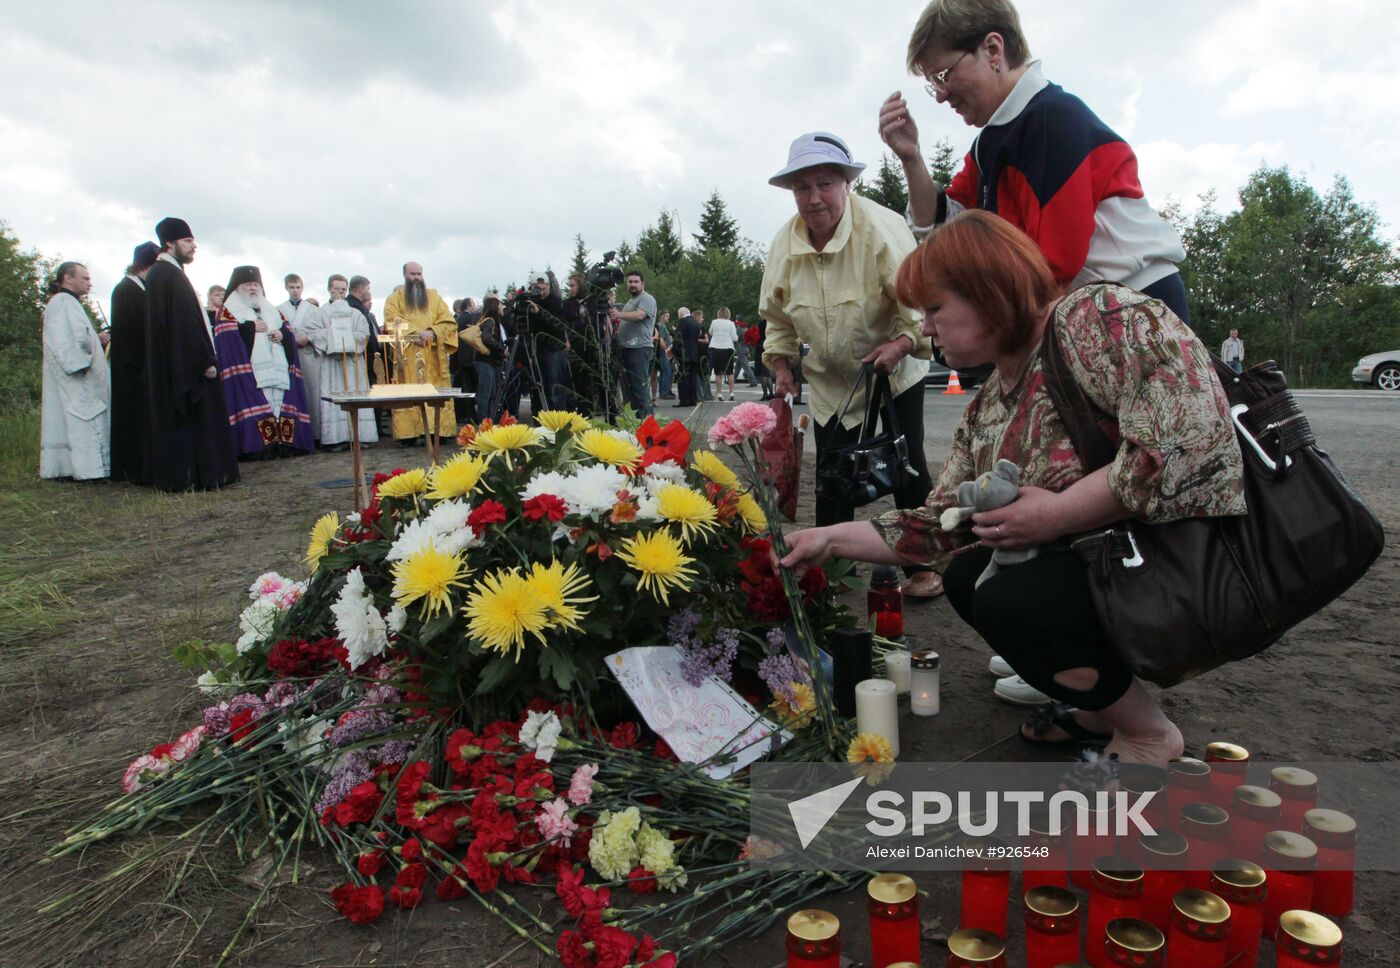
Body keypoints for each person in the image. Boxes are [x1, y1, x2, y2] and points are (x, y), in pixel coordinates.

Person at [782, 210, 1245, 766]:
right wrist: (825, 539)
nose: (925, 328)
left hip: (1203, 560)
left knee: (1012, 597)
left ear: (989, 292)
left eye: (934, 309)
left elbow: (1189, 439)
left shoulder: (1094, 317)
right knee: (966, 575)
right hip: (1125, 565)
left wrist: (1059, 514)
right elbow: (934, 527)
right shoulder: (991, 403)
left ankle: (1149, 734)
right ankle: (1102, 708)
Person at [878, 0, 1189, 323]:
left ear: (993, 49)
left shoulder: (1052, 121)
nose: (940, 95)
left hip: (1135, 307)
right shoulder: (993, 141)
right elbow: (943, 224)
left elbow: (1051, 267)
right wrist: (912, 159)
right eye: (933, 84)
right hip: (1088, 309)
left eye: (943, 75)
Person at [759, 131, 936, 580]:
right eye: (803, 187)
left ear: (846, 185)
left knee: (905, 457)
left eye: (825, 184)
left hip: (894, 362)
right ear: (792, 192)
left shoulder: (881, 228)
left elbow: (916, 298)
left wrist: (901, 344)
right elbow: (777, 317)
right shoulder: (784, 246)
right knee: (834, 466)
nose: (814, 198)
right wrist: (781, 364)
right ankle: (832, 566)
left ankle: (922, 563)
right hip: (834, 376)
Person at [144, 217, 239, 491]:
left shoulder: (165, 274)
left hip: (177, 364)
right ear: (170, 243)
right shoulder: (168, 275)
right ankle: (198, 475)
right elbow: (184, 326)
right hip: (187, 367)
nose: (193, 246)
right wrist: (204, 361)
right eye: (187, 241)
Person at [213, 266, 315, 458]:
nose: (253, 288)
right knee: (261, 404)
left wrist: (281, 334)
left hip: (278, 370)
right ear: (237, 287)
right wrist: (250, 328)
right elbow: (225, 337)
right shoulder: (228, 310)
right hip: (252, 372)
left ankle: (282, 445)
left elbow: (287, 330)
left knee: (277, 405)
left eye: (256, 285)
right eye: (248, 285)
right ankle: (258, 449)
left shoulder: (271, 309)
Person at [40, 261, 110, 480]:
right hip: (78, 378)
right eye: (85, 278)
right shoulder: (62, 302)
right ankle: (86, 470)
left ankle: (81, 469)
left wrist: (95, 339)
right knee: (81, 420)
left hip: (80, 377)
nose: (89, 283)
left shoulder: (69, 303)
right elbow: (63, 340)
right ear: (67, 278)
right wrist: (81, 364)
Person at [381, 262, 457, 444]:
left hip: (433, 356)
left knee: (434, 392)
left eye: (419, 274)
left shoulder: (434, 297)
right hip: (408, 356)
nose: (416, 277)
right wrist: (417, 332)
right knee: (410, 392)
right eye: (412, 274)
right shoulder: (395, 299)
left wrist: (432, 331)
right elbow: (392, 321)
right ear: (405, 275)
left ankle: (438, 431)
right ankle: (410, 434)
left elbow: (449, 320)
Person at [301, 274, 378, 449]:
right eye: (336, 289)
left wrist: (348, 339)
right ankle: (335, 439)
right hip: (331, 364)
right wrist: (333, 336)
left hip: (352, 363)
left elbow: (364, 334)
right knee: (334, 397)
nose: (340, 292)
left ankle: (360, 436)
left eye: (343, 289)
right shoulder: (320, 313)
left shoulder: (355, 313)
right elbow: (312, 333)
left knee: (356, 395)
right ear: (329, 289)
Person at [109, 241, 160, 483]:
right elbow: (134, 332)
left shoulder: (136, 288)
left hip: (138, 366)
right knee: (132, 420)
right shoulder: (127, 291)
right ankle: (132, 470)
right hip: (132, 369)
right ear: (145, 267)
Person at [278, 273, 323, 443]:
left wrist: (309, 338)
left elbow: (321, 331)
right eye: (292, 287)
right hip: (288, 355)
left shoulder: (312, 310)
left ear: (302, 288)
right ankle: (295, 435)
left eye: (298, 287)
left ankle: (315, 433)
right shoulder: (279, 309)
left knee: (312, 392)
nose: (295, 291)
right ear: (286, 288)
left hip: (308, 355)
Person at [609, 270, 657, 417]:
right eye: (630, 282)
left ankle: (648, 424)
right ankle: (635, 424)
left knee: (639, 389)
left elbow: (640, 315)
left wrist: (619, 314)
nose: (633, 284)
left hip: (639, 348)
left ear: (643, 283)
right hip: (627, 349)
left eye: (636, 282)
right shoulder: (631, 301)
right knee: (628, 391)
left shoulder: (647, 298)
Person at [525, 271, 573, 410]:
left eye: (542, 287)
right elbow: (529, 328)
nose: (540, 291)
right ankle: (542, 414)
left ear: (548, 285)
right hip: (539, 349)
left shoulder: (557, 302)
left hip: (555, 350)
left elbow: (558, 325)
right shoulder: (532, 302)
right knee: (541, 385)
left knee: (556, 385)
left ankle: (559, 415)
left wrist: (538, 312)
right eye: (536, 288)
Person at [472, 294, 508, 421]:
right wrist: (502, 349)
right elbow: (486, 338)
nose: (502, 307)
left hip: (488, 362)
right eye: (500, 304)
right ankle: (484, 420)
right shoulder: (491, 321)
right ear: (495, 306)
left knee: (490, 393)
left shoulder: (485, 319)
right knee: (487, 393)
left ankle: (488, 419)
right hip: (487, 361)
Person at [707, 307, 739, 401]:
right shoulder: (731, 323)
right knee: (730, 372)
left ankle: (720, 393)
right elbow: (734, 338)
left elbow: (710, 332)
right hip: (728, 348)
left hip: (715, 348)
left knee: (718, 373)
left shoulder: (714, 322)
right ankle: (731, 392)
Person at [673, 306, 703, 407]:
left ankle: (684, 400)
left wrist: (673, 350)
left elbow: (678, 338)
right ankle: (693, 399)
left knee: (683, 377)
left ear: (681, 314)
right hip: (694, 353)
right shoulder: (695, 323)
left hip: (684, 354)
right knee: (693, 377)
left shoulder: (683, 322)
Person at [652, 309, 675, 402]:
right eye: (667, 316)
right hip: (663, 353)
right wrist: (667, 350)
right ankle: (664, 393)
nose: (668, 318)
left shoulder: (664, 326)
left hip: (665, 352)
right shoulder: (661, 326)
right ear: (661, 316)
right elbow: (660, 340)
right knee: (667, 372)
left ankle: (665, 391)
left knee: (666, 372)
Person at [693, 308, 714, 401]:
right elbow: (706, 340)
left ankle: (700, 395)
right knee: (704, 375)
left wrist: (696, 340)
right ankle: (707, 395)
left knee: (700, 375)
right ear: (697, 317)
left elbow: (706, 340)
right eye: (701, 317)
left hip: (699, 353)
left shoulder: (700, 328)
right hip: (702, 354)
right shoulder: (699, 328)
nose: (703, 319)